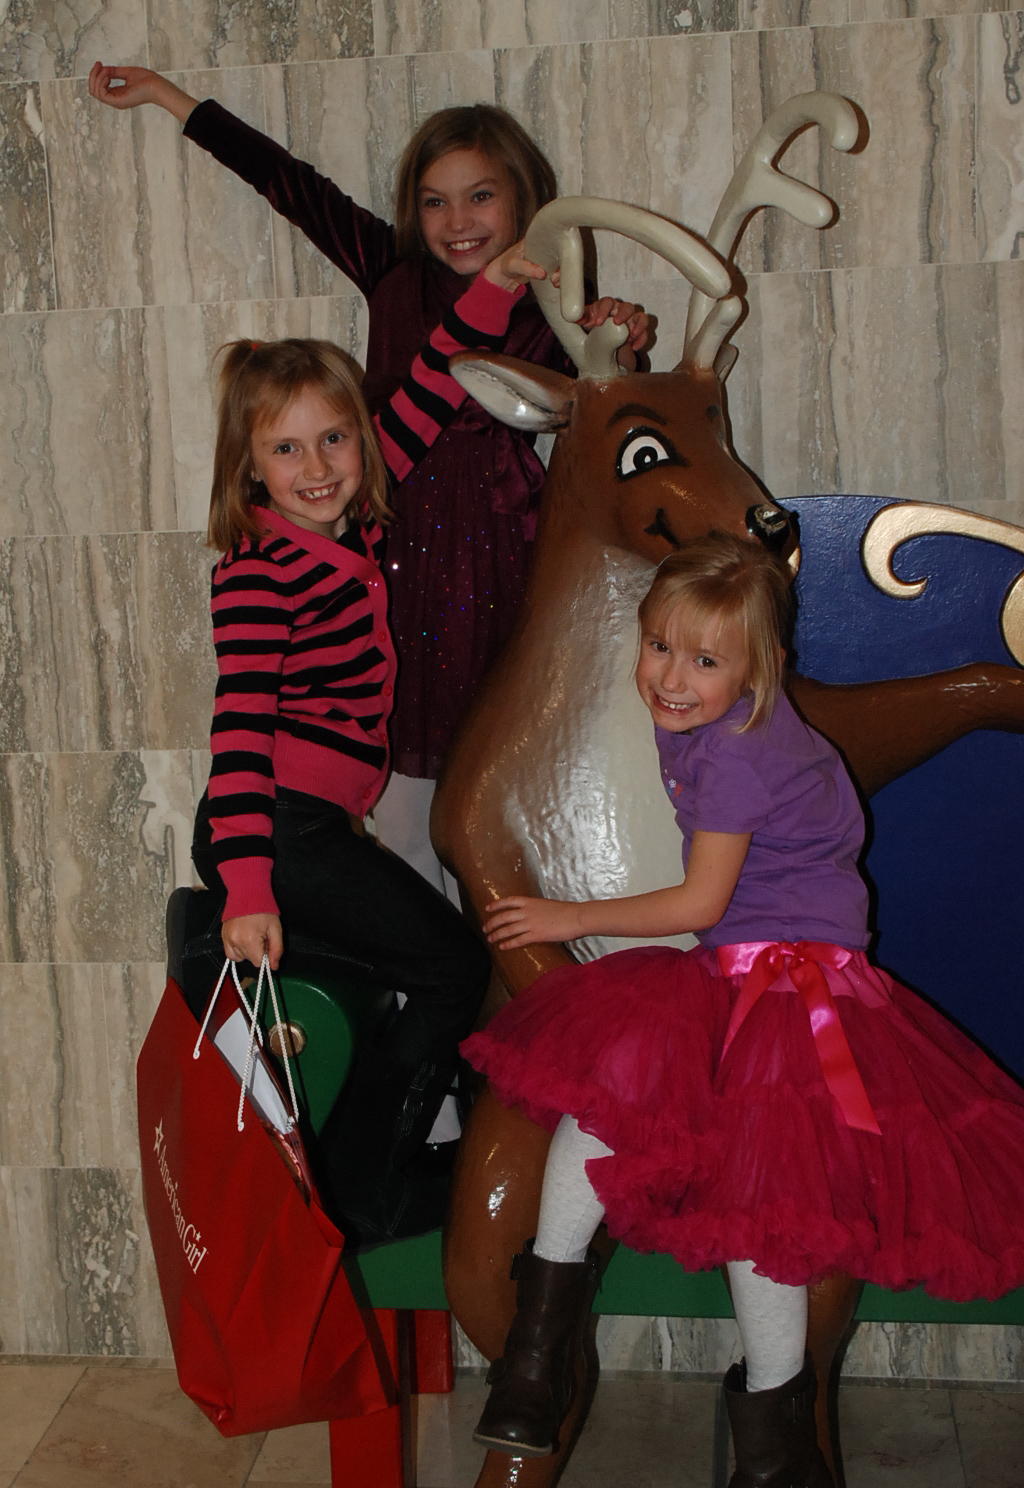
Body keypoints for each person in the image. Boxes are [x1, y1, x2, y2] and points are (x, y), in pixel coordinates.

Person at [462, 532, 1024, 1485]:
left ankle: (698, 1417)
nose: (671, 678)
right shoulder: (719, 719)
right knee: (609, 1106)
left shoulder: (737, 751)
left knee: (760, 1203)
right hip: (753, 967)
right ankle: (543, 1352)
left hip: (790, 983)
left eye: (705, 661)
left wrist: (568, 915)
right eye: (659, 647)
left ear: (759, 671)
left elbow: (700, 902)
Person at [88, 63, 649, 896]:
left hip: (504, 549)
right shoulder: (391, 271)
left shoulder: (554, 302)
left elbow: (610, 419)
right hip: (391, 542)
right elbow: (288, 182)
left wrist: (618, 342)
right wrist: (169, 96)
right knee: (403, 789)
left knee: (508, 769)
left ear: (524, 198)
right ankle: (411, 944)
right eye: (435, 201)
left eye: (480, 196)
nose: (458, 221)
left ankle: (493, 950)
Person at [187, 243, 544, 1247]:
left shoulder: (343, 536)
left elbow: (430, 383)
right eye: (287, 450)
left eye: (334, 440)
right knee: (450, 966)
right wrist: (249, 887)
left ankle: (367, 1164)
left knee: (428, 964)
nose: (317, 468)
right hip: (274, 831)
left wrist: (499, 284)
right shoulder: (260, 571)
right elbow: (239, 730)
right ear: (249, 468)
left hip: (306, 829)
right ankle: (360, 1185)